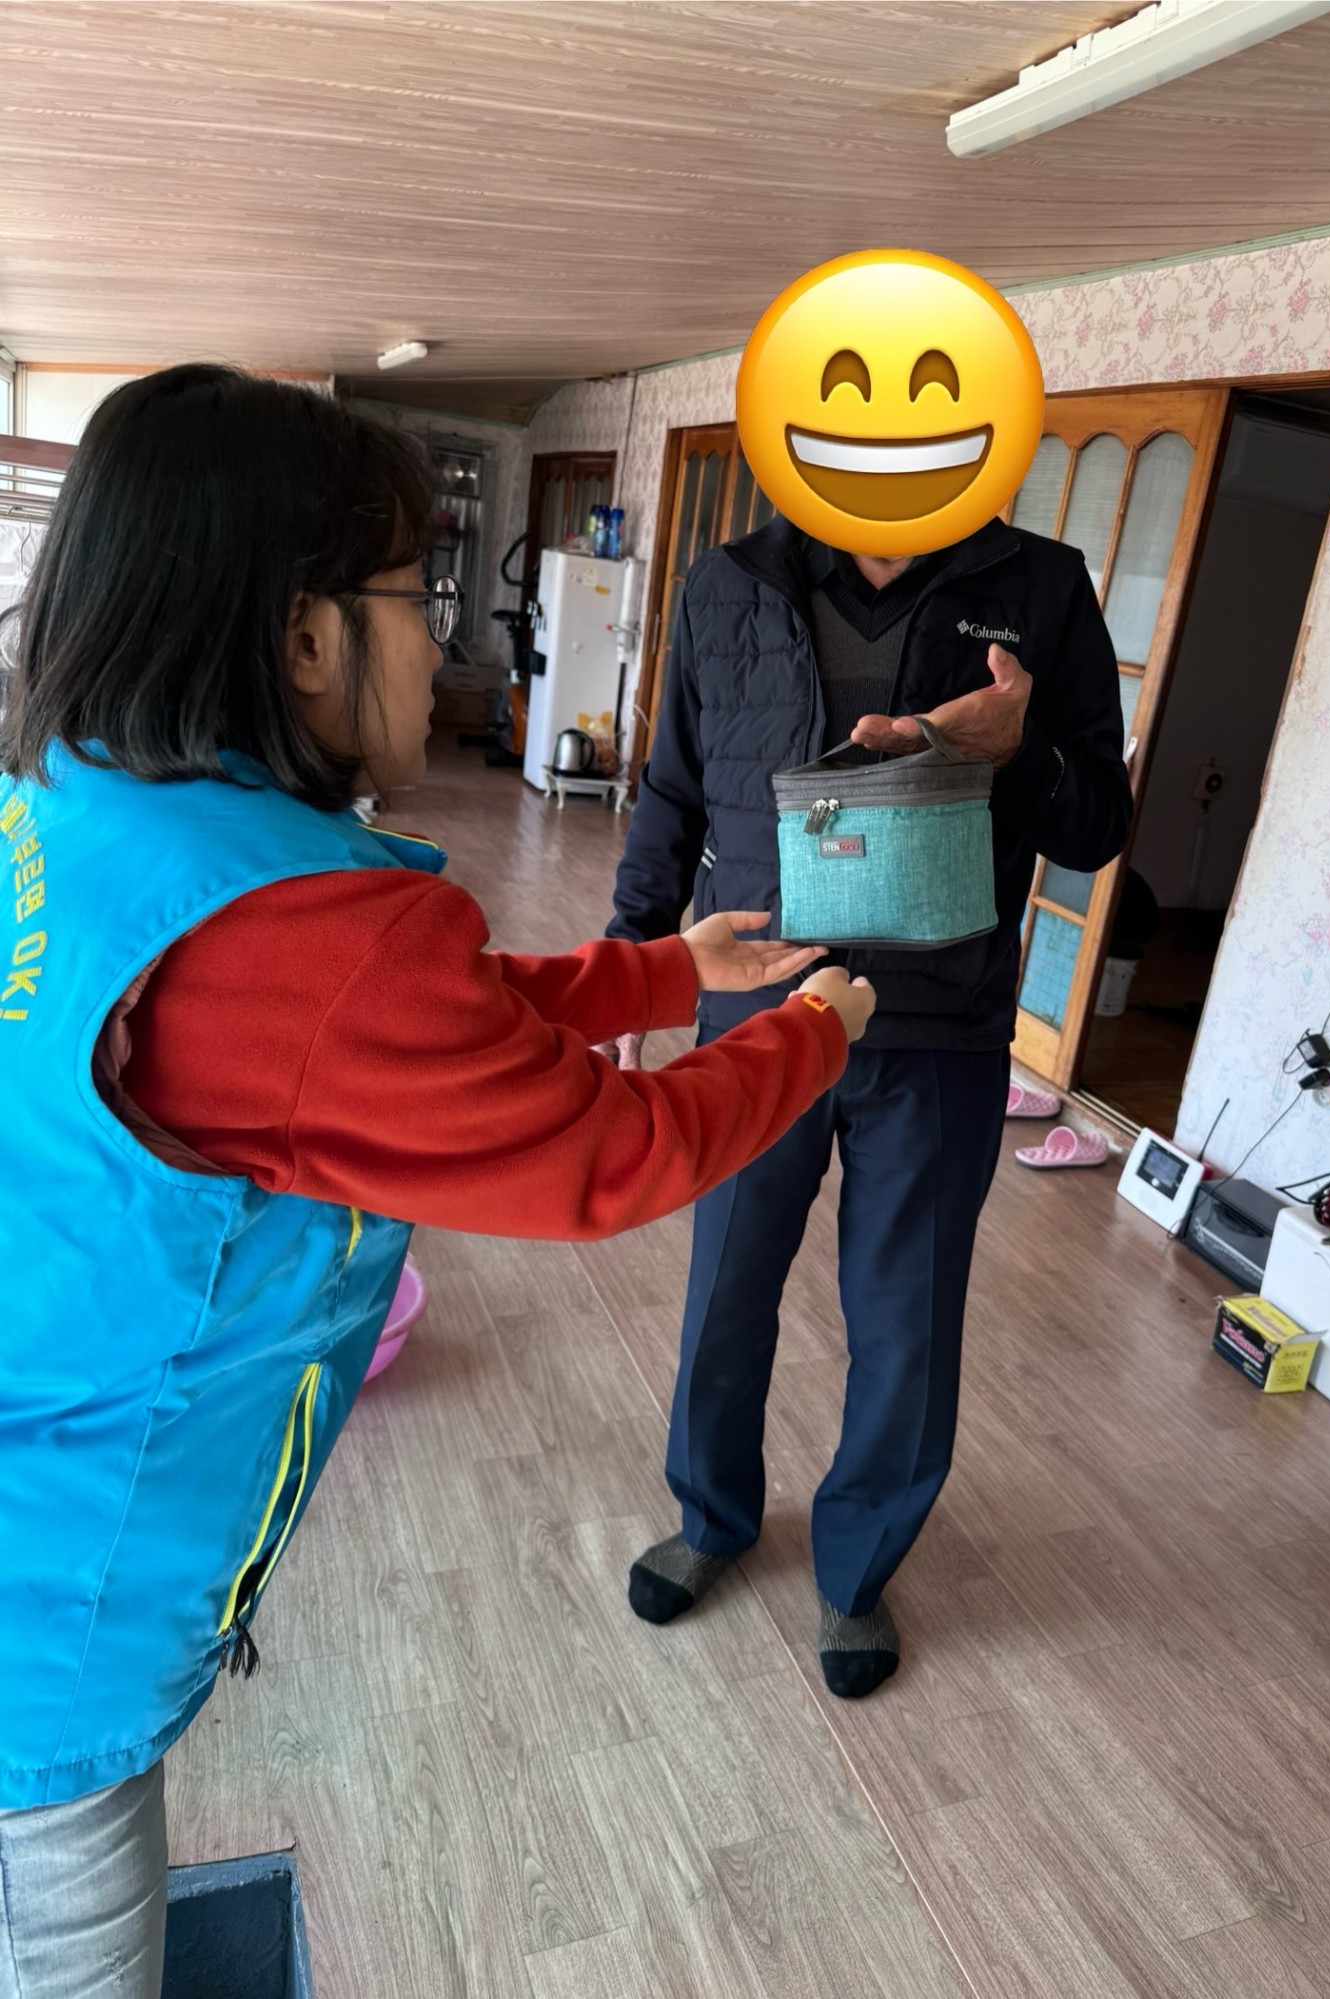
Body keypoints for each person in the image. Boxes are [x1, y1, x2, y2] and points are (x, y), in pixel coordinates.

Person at [0, 366, 876, 1996]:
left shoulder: (79, 795)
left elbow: (395, 1028)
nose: (447, 636)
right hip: (48, 1620)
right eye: (422, 594)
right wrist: (815, 1033)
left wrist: (662, 969)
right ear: (304, 637)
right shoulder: (310, 932)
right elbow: (612, 1154)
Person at [606, 506, 1132, 1698]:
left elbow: (1098, 824)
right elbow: (673, 794)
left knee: (907, 1317)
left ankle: (857, 1571)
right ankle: (711, 1513)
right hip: (759, 1011)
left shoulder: (1042, 586)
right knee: (725, 1285)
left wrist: (1022, 749)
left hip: (938, 1025)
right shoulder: (727, 582)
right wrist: (629, 965)